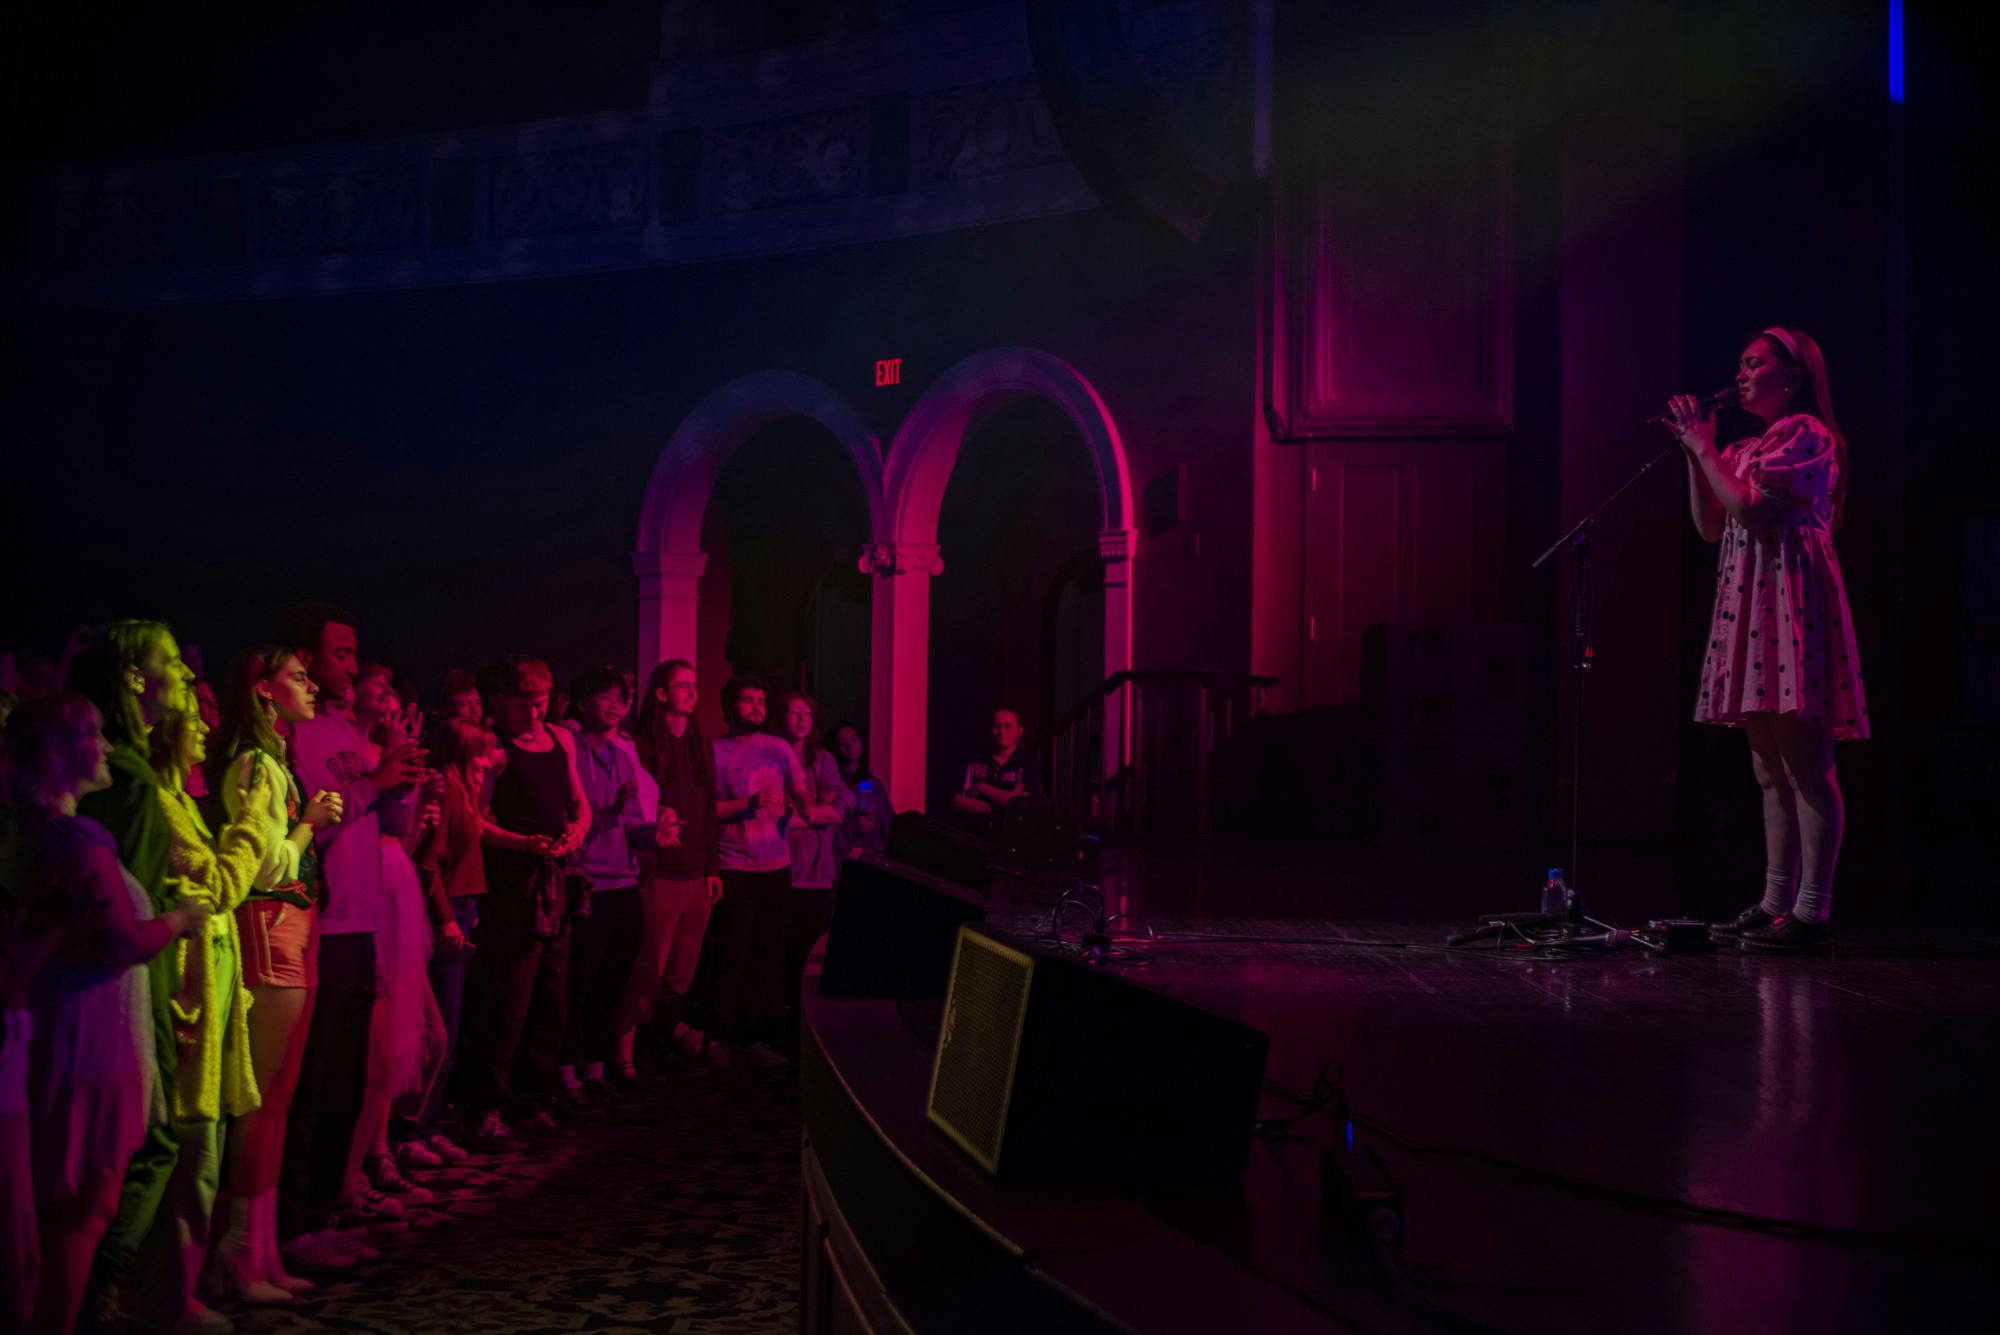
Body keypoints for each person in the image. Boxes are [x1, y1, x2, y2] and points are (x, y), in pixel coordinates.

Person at [3, 695, 208, 1334]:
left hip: (72, 1022)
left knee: (60, 1209)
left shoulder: (36, 832)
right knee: (83, 1206)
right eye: (93, 734)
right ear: (58, 753)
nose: (107, 746)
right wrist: (179, 918)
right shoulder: (75, 838)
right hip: (90, 1032)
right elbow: (121, 939)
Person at [1668, 326, 1869, 955]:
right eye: (1741, 364)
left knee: (1806, 763)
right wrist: (1695, 453)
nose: (1742, 374)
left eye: (1755, 364)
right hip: (1753, 603)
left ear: (1792, 377)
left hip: (1790, 602)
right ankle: (1776, 901)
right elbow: (1710, 525)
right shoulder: (1746, 446)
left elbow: (1754, 510)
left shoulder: (1806, 432)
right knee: (1768, 767)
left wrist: (1705, 449)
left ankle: (1813, 909)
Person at [64, 620, 202, 1324]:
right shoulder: (129, 775)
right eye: (171, 661)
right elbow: (130, 896)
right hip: (122, 979)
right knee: (147, 1137)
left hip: (96, 975)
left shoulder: (126, 768)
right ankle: (101, 1288)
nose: (185, 673)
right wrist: (178, 917)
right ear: (133, 676)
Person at [278, 603, 426, 1244]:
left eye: (355, 654)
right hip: (326, 922)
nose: (352, 665)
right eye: (341, 654)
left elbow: (389, 826)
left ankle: (328, 1204)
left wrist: (400, 777)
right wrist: (374, 782)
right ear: (305, 658)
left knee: (348, 1075)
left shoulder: (344, 731)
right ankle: (294, 1221)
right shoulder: (298, 735)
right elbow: (312, 828)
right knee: (314, 1077)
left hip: (364, 919)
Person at [207, 645, 347, 1293]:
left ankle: (260, 1250)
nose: (312, 685)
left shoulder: (275, 760)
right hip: (271, 927)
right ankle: (240, 1247)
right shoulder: (256, 763)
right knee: (263, 1099)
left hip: (293, 927)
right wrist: (308, 825)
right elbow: (264, 867)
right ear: (263, 689)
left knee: (279, 1098)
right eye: (297, 677)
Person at [145, 702, 280, 1326]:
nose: (206, 726)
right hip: (189, 1007)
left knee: (205, 1157)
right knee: (191, 1161)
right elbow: (224, 885)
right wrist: (253, 818)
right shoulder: (162, 804)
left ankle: (183, 1290)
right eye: (193, 716)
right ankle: (169, 1301)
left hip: (212, 1002)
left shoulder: (184, 803)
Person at [461, 657, 588, 1143]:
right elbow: (475, 819)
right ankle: (487, 1103)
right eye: (524, 706)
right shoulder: (495, 748)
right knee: (508, 998)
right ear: (501, 703)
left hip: (555, 879)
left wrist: (577, 830)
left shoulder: (561, 739)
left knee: (551, 995)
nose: (534, 715)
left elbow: (579, 804)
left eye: (540, 704)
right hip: (514, 885)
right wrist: (522, 844)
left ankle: (533, 1097)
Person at [346, 665, 444, 1214]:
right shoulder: (350, 748)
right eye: (377, 685)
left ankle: (381, 1148)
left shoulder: (386, 749)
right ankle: (368, 1159)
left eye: (390, 687)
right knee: (384, 1034)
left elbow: (401, 832)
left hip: (395, 877)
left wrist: (418, 797)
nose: (386, 695)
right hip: (372, 883)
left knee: (413, 1028)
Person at [560, 667, 670, 1104]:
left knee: (611, 984)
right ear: (582, 702)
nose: (615, 704)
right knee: (579, 984)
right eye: (605, 696)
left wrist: (656, 833)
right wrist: (606, 814)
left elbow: (632, 825)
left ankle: (594, 1069)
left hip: (624, 881)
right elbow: (573, 819)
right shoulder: (569, 750)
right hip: (588, 883)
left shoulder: (623, 757)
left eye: (620, 698)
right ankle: (566, 1075)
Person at [689, 678, 809, 1072]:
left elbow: (803, 796)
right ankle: (718, 1038)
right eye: (747, 700)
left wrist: (803, 806)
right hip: (734, 866)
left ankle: (753, 1038)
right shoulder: (714, 750)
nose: (757, 706)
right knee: (730, 956)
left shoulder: (779, 748)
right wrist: (748, 803)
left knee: (765, 959)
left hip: (777, 866)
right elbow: (704, 812)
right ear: (729, 707)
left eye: (761, 700)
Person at [407, 719, 498, 1161]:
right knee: (440, 1024)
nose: (487, 762)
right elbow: (429, 864)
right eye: (480, 753)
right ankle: (413, 1130)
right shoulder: (446, 791)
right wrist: (446, 920)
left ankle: (430, 1123)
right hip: (448, 911)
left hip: (463, 906)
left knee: (452, 1024)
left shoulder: (464, 791)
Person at [626, 659, 720, 1080]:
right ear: (662, 693)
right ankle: (639, 1054)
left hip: (696, 874)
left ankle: (663, 1049)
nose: (692, 692)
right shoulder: (643, 745)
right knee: (651, 970)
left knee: (682, 975)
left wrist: (712, 866)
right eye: (683, 685)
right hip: (660, 873)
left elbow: (708, 810)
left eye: (694, 685)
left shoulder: (701, 745)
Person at [779, 693, 850, 1022]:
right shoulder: (773, 758)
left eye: (806, 713)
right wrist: (814, 810)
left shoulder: (823, 760)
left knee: (807, 956)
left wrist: (795, 814)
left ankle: (802, 1024)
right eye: (794, 712)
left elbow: (836, 812)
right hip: (780, 868)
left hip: (817, 873)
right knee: (779, 953)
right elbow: (773, 815)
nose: (800, 719)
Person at [951, 709, 1041, 835]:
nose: (1002, 731)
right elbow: (958, 800)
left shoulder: (1028, 764)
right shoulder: (976, 759)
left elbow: (1021, 806)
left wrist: (982, 787)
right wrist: (1003, 804)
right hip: (974, 834)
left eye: (1008, 726)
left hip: (1010, 835)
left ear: (1020, 731)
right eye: (997, 726)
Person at [829, 721, 892, 860]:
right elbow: (825, 833)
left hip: (873, 859)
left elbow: (888, 827)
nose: (850, 745)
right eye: (842, 742)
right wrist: (852, 826)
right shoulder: (831, 785)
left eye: (854, 739)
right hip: (842, 861)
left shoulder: (872, 784)